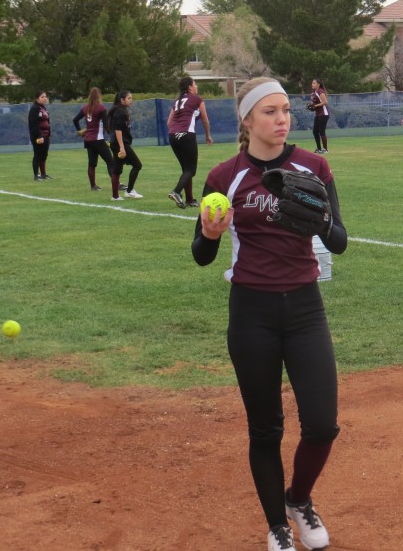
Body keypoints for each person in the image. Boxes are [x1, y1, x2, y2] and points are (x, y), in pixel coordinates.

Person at [191, 76, 348, 551]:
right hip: (251, 312)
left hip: (304, 308)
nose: (282, 120)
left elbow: (339, 239)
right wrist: (212, 233)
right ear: (247, 120)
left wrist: (319, 218)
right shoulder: (224, 178)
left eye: (285, 110)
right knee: (266, 429)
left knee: (322, 424)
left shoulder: (313, 165)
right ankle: (277, 526)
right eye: (270, 111)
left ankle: (298, 500)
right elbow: (201, 255)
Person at [167, 76, 213, 208]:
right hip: (186, 135)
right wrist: (208, 135)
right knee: (191, 169)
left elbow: (169, 122)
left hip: (172, 135)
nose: (196, 86)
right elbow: (205, 120)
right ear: (189, 87)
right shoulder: (197, 99)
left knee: (186, 169)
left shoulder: (177, 101)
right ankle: (176, 192)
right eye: (195, 84)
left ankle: (190, 199)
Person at [72, 87, 115, 191]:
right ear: (99, 96)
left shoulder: (85, 108)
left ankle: (93, 186)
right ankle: (116, 184)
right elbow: (106, 125)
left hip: (88, 140)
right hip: (98, 139)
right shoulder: (101, 108)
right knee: (110, 162)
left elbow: (75, 120)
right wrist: (113, 135)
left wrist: (80, 131)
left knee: (92, 164)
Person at [108, 91, 143, 200]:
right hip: (120, 143)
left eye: (131, 98)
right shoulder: (119, 111)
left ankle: (115, 196)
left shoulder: (119, 110)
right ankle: (129, 191)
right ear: (122, 100)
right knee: (137, 165)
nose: (131, 100)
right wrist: (122, 147)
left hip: (115, 143)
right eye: (129, 98)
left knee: (117, 170)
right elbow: (118, 130)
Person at [28, 91, 53, 180]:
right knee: (38, 155)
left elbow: (47, 121)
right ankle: (36, 175)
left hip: (45, 135)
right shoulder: (34, 108)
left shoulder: (43, 108)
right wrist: (39, 136)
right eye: (42, 97)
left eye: (45, 96)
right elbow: (34, 124)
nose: (45, 98)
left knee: (44, 155)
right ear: (37, 98)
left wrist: (49, 132)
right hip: (38, 136)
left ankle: (43, 174)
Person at [307, 79, 330, 154]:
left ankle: (325, 149)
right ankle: (319, 149)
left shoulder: (320, 91)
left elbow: (325, 102)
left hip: (324, 114)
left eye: (314, 83)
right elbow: (314, 105)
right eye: (312, 83)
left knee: (321, 131)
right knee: (315, 132)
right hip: (318, 114)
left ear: (318, 84)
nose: (312, 84)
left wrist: (315, 106)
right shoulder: (313, 93)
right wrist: (311, 107)